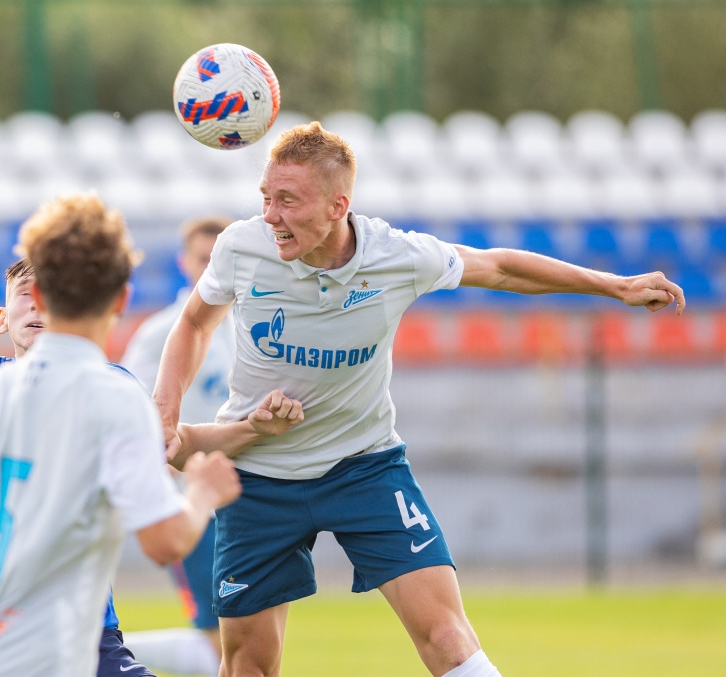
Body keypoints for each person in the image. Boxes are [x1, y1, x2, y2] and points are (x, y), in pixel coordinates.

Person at [151, 122, 687, 677]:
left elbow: (499, 266)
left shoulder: (396, 256)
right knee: (247, 666)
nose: (271, 215)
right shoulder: (242, 247)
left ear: (339, 205)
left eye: (287, 201)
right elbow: (193, 324)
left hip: (363, 467)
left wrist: (614, 285)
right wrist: (167, 408)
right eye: (266, 198)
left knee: (447, 636)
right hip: (256, 475)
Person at [0, 193, 304, 677]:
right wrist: (199, 495)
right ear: (122, 300)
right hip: (72, 644)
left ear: (45, 297)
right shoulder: (117, 394)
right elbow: (164, 541)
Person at [120, 214, 234, 677]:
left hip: (254, 495)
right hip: (194, 502)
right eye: (202, 259)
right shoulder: (160, 334)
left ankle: (95, 648)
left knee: (247, 639)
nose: (210, 268)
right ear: (184, 262)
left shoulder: (260, 325)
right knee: (220, 644)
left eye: (219, 259)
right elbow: (133, 409)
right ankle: (95, 650)